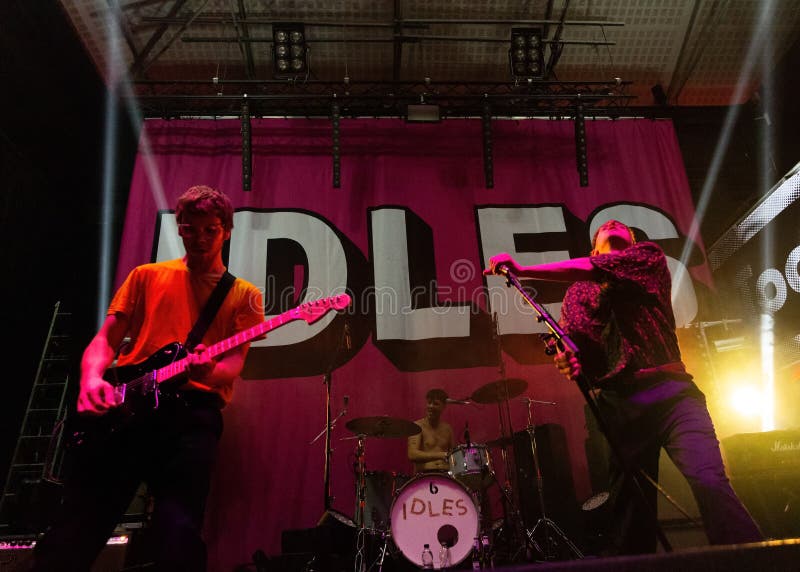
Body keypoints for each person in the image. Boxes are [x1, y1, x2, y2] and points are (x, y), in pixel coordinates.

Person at [484, 219, 762, 554]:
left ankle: (754, 559)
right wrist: (568, 360)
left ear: (630, 244)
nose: (612, 224)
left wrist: (523, 268)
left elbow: (594, 268)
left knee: (709, 480)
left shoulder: (646, 258)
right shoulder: (577, 295)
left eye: (621, 228)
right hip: (620, 404)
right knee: (631, 507)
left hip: (673, 393)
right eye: (604, 228)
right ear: (594, 245)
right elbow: (579, 353)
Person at [31, 186, 265, 571]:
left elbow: (234, 365)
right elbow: (104, 341)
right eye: (191, 229)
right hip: (123, 411)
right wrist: (91, 381)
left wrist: (209, 369)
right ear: (180, 229)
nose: (201, 238)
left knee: (179, 532)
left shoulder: (245, 295)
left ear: (226, 230)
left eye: (211, 230)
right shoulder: (146, 276)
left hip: (192, 417)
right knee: (77, 528)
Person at [408, 388, 455, 473]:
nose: (431, 406)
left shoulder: (448, 429)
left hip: (445, 475)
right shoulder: (417, 426)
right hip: (424, 475)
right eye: (429, 403)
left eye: (436, 404)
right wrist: (441, 455)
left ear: (444, 406)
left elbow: (453, 455)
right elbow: (412, 454)